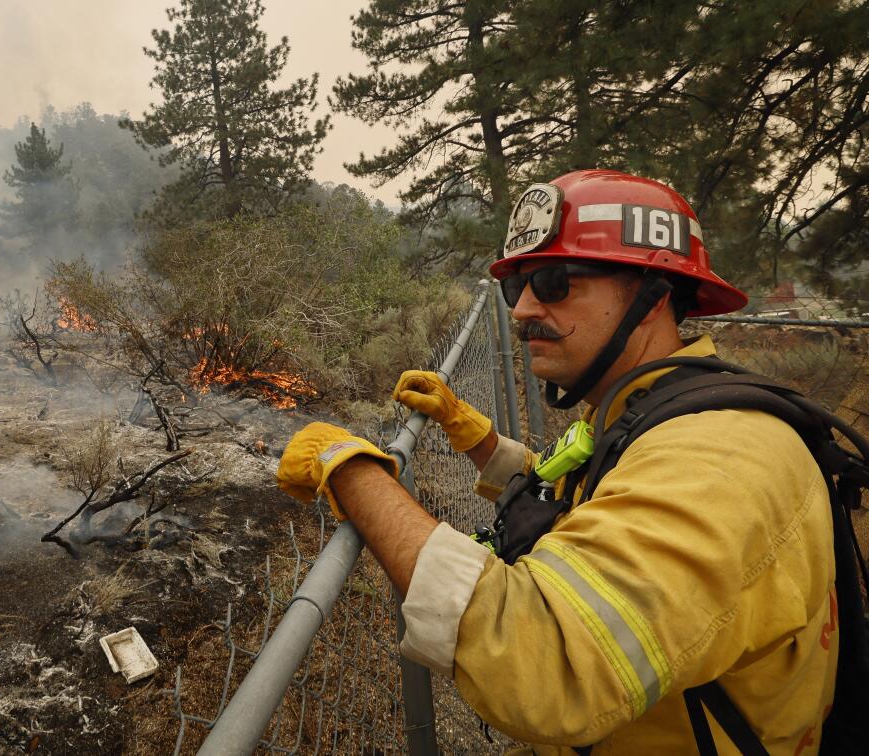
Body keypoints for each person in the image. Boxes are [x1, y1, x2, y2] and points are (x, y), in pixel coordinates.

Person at [276, 170, 838, 753]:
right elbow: (582, 501)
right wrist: (470, 433)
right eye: (515, 286)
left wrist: (353, 470)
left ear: (654, 296)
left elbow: (541, 658)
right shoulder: (646, 410)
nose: (522, 309)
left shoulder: (719, 462)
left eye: (553, 280)